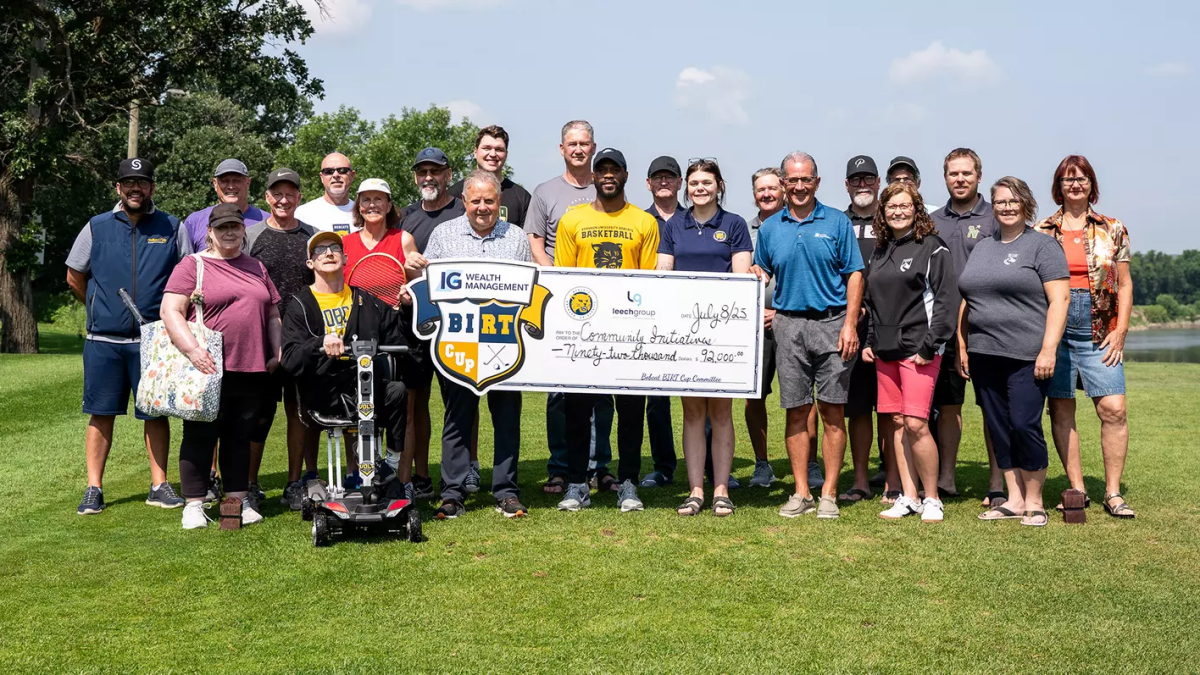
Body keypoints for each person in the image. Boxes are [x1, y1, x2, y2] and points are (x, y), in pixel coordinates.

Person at [66, 157, 192, 515]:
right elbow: (75, 275)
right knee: (100, 414)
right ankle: (94, 488)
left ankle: (159, 484)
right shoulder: (97, 226)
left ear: (152, 187)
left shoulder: (171, 226)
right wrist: (99, 306)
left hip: (153, 340)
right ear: (118, 188)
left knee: (155, 413)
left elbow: (187, 276)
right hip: (103, 341)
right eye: (129, 183)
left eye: (143, 182)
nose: (136, 188)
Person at [751, 152, 864, 520]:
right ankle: (801, 493)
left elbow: (855, 275)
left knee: (833, 412)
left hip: (832, 325)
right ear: (783, 183)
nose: (799, 187)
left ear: (816, 181)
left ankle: (828, 492)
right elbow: (761, 270)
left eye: (806, 180)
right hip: (789, 325)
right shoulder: (770, 229)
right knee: (796, 410)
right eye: (792, 180)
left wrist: (849, 324)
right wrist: (754, 272)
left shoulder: (836, 221)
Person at [160, 204, 282, 529]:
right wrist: (192, 350)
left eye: (235, 227)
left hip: (251, 366)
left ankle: (238, 501)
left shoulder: (256, 266)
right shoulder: (193, 265)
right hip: (206, 365)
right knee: (201, 434)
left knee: (240, 436)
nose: (229, 232)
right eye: (222, 227)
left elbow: (272, 314)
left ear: (244, 230)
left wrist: (277, 351)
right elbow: (171, 310)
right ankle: (194, 505)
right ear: (210, 232)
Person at [554, 148, 659, 512]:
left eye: (615, 169)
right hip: (584, 331)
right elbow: (563, 277)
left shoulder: (644, 222)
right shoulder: (573, 219)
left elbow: (648, 281)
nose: (608, 175)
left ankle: (628, 482)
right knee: (578, 410)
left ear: (626, 176)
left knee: (631, 410)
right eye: (603, 170)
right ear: (594, 177)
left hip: (629, 331)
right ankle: (577, 483)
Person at [959, 177, 1069, 527]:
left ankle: (1035, 500)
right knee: (999, 426)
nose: (1006, 207)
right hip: (984, 353)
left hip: (1027, 354)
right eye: (1000, 201)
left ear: (1026, 204)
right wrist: (963, 343)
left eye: (1013, 200)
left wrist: (1049, 350)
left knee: (1024, 424)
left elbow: (1060, 300)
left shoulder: (1043, 246)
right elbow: (969, 296)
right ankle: (1014, 498)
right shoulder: (983, 246)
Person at [425, 171, 533, 520]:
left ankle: (506, 491)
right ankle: (452, 494)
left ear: (498, 203)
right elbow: (428, 285)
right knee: (457, 418)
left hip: (503, 342)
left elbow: (529, 291)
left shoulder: (516, 238)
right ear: (464, 202)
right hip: (458, 343)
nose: (482, 207)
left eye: (489, 200)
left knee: (506, 419)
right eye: (476, 201)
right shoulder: (443, 235)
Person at [1036, 155, 1135, 519]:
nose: (1075, 185)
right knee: (1061, 407)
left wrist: (1120, 330)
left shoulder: (1113, 227)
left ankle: (1113, 492)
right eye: (1067, 179)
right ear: (1058, 187)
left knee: (1113, 409)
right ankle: (1076, 489)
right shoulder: (1042, 230)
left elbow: (1124, 284)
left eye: (1081, 179)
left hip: (1100, 326)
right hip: (1056, 324)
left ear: (1092, 184)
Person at [280, 230, 411, 503]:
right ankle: (365, 466)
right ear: (310, 263)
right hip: (324, 392)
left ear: (345, 258)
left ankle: (389, 465)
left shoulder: (366, 301)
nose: (328, 253)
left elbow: (400, 337)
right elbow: (290, 359)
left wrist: (407, 308)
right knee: (358, 391)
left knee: (397, 390)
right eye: (320, 250)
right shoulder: (299, 305)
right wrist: (319, 342)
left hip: (364, 385)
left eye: (334, 249)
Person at [656, 159, 752, 516]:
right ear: (687, 187)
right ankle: (696, 490)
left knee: (722, 412)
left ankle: (722, 490)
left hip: (725, 333)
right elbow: (664, 273)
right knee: (693, 411)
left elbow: (742, 279)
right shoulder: (673, 226)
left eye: (706, 182)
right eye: (694, 182)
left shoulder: (735, 224)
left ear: (718, 185)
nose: (699, 188)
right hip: (682, 334)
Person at [525, 120, 614, 495]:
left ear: (594, 147)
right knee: (560, 388)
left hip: (606, 304)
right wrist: (560, 282)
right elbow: (535, 244)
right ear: (562, 148)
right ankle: (560, 466)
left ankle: (600, 465)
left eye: (585, 143)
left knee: (604, 385)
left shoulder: (609, 189)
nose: (578, 149)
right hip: (561, 303)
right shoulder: (545, 192)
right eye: (572, 144)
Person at [861, 183, 958, 522]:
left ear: (916, 209)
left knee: (917, 423)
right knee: (898, 422)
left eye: (904, 206)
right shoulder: (880, 250)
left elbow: (947, 301)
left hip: (919, 351)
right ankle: (909, 495)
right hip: (885, 351)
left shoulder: (932, 248)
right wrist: (871, 341)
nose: (898, 212)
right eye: (891, 207)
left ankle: (932, 498)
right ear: (882, 213)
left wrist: (930, 346)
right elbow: (872, 302)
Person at [341, 178, 424, 488]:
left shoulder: (404, 240)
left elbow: (418, 289)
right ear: (358, 207)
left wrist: (416, 277)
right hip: (359, 334)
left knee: (406, 408)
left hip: (400, 334)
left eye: (379, 199)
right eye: (366, 200)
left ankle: (402, 483)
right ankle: (355, 477)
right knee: (358, 407)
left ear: (390, 206)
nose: (372, 205)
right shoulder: (346, 245)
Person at [929, 148, 1001, 504]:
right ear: (945, 177)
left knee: (992, 406)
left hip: (989, 326)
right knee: (949, 404)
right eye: (953, 173)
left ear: (978, 176)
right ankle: (946, 477)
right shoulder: (931, 220)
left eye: (966, 173)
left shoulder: (995, 217)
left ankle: (997, 482)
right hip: (944, 327)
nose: (960, 179)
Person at [244, 168, 317, 509]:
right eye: (278, 193)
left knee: (300, 412)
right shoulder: (250, 235)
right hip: (260, 338)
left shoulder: (312, 236)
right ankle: (249, 482)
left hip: (302, 338)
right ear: (267, 197)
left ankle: (293, 483)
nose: (284, 199)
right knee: (257, 413)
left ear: (299, 197)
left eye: (291, 193)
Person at [398, 147, 465, 499]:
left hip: (458, 323)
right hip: (417, 323)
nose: (428, 177)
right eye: (422, 171)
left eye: (435, 171)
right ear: (415, 177)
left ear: (448, 175)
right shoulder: (406, 218)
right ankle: (416, 476)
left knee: (461, 400)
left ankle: (465, 472)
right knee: (414, 402)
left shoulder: (464, 210)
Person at [840, 155, 885, 504]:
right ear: (846, 185)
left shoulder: (894, 218)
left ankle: (894, 478)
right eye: (855, 179)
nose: (862, 184)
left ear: (878, 181)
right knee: (856, 408)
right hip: (849, 325)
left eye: (868, 178)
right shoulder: (837, 222)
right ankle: (859, 480)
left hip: (890, 326)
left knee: (891, 408)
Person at [637, 155, 684, 489]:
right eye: (658, 177)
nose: (664, 182)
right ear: (648, 183)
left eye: (670, 177)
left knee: (704, 395)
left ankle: (710, 466)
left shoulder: (694, 217)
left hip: (694, 319)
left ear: (680, 182)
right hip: (651, 319)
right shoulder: (638, 221)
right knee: (657, 398)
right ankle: (664, 466)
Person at [744, 168, 786, 489]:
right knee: (753, 397)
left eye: (773, 188)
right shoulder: (744, 230)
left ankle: (811, 465)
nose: (767, 194)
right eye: (762, 189)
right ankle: (762, 465)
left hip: (792, 321)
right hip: (753, 327)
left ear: (783, 189)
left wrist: (780, 312)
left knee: (801, 398)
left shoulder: (796, 223)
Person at [447, 125, 532, 228]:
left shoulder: (523, 198)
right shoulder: (453, 195)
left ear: (506, 154)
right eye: (486, 148)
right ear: (475, 152)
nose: (492, 154)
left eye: (499, 149)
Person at [182, 158, 269, 252]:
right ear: (215, 184)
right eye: (224, 181)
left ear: (248, 183)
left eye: (237, 181)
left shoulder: (267, 221)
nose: (231, 186)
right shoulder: (194, 222)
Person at [294, 152, 357, 235]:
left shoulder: (364, 214)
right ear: (321, 177)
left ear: (352, 175)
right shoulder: (303, 214)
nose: (335, 175)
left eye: (342, 170)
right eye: (329, 171)